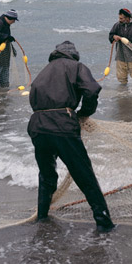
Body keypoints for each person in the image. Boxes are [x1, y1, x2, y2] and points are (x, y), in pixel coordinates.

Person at [27, 41, 115, 232]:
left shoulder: (44, 71)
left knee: (47, 174)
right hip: (62, 127)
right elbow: (92, 89)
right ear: (73, 55)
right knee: (85, 175)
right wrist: (84, 113)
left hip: (37, 127)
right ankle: (104, 223)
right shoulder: (76, 67)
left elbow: (33, 97)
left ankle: (42, 217)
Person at [108, 8, 132, 86]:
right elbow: (111, 35)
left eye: (121, 18)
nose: (120, 20)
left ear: (127, 18)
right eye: (119, 18)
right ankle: (124, 94)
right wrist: (113, 37)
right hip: (121, 55)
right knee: (121, 77)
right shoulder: (117, 25)